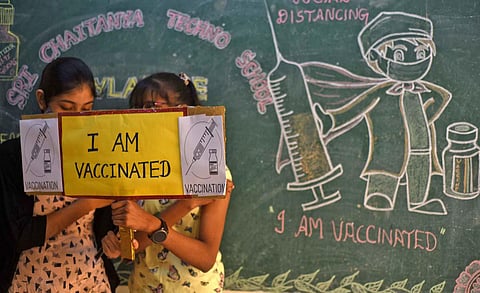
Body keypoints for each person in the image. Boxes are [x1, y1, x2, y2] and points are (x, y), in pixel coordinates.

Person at [101, 72, 234, 292]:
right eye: (136, 109)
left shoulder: (211, 170)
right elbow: (137, 244)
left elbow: (205, 259)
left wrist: (153, 224)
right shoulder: (135, 169)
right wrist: (120, 245)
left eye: (150, 107)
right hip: (144, 286)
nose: (140, 116)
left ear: (182, 110)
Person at [0, 57, 119, 292]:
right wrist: (89, 202)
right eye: (66, 107)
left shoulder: (99, 155)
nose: (77, 118)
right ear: (42, 99)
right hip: (28, 283)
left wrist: (115, 243)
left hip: (90, 281)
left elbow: (106, 229)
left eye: (87, 108)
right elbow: (20, 236)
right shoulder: (12, 156)